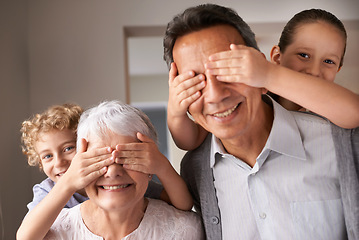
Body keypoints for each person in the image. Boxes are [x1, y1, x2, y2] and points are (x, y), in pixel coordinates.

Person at [163, 4, 358, 240]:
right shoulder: (196, 171)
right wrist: (174, 113)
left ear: (260, 70)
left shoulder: (342, 143)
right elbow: (185, 138)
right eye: (195, 81)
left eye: (228, 71)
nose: (215, 94)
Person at [167, 8, 359, 151]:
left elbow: (353, 112)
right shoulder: (254, 102)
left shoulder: (332, 113)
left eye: (328, 61)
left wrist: (268, 74)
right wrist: (176, 112)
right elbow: (188, 142)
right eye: (303, 55)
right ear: (276, 57)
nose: (315, 71)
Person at [20, 100, 204, 239]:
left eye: (126, 158)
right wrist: (69, 182)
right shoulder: (50, 197)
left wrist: (161, 165)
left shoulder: (184, 229)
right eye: (99, 160)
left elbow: (183, 204)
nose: (113, 171)